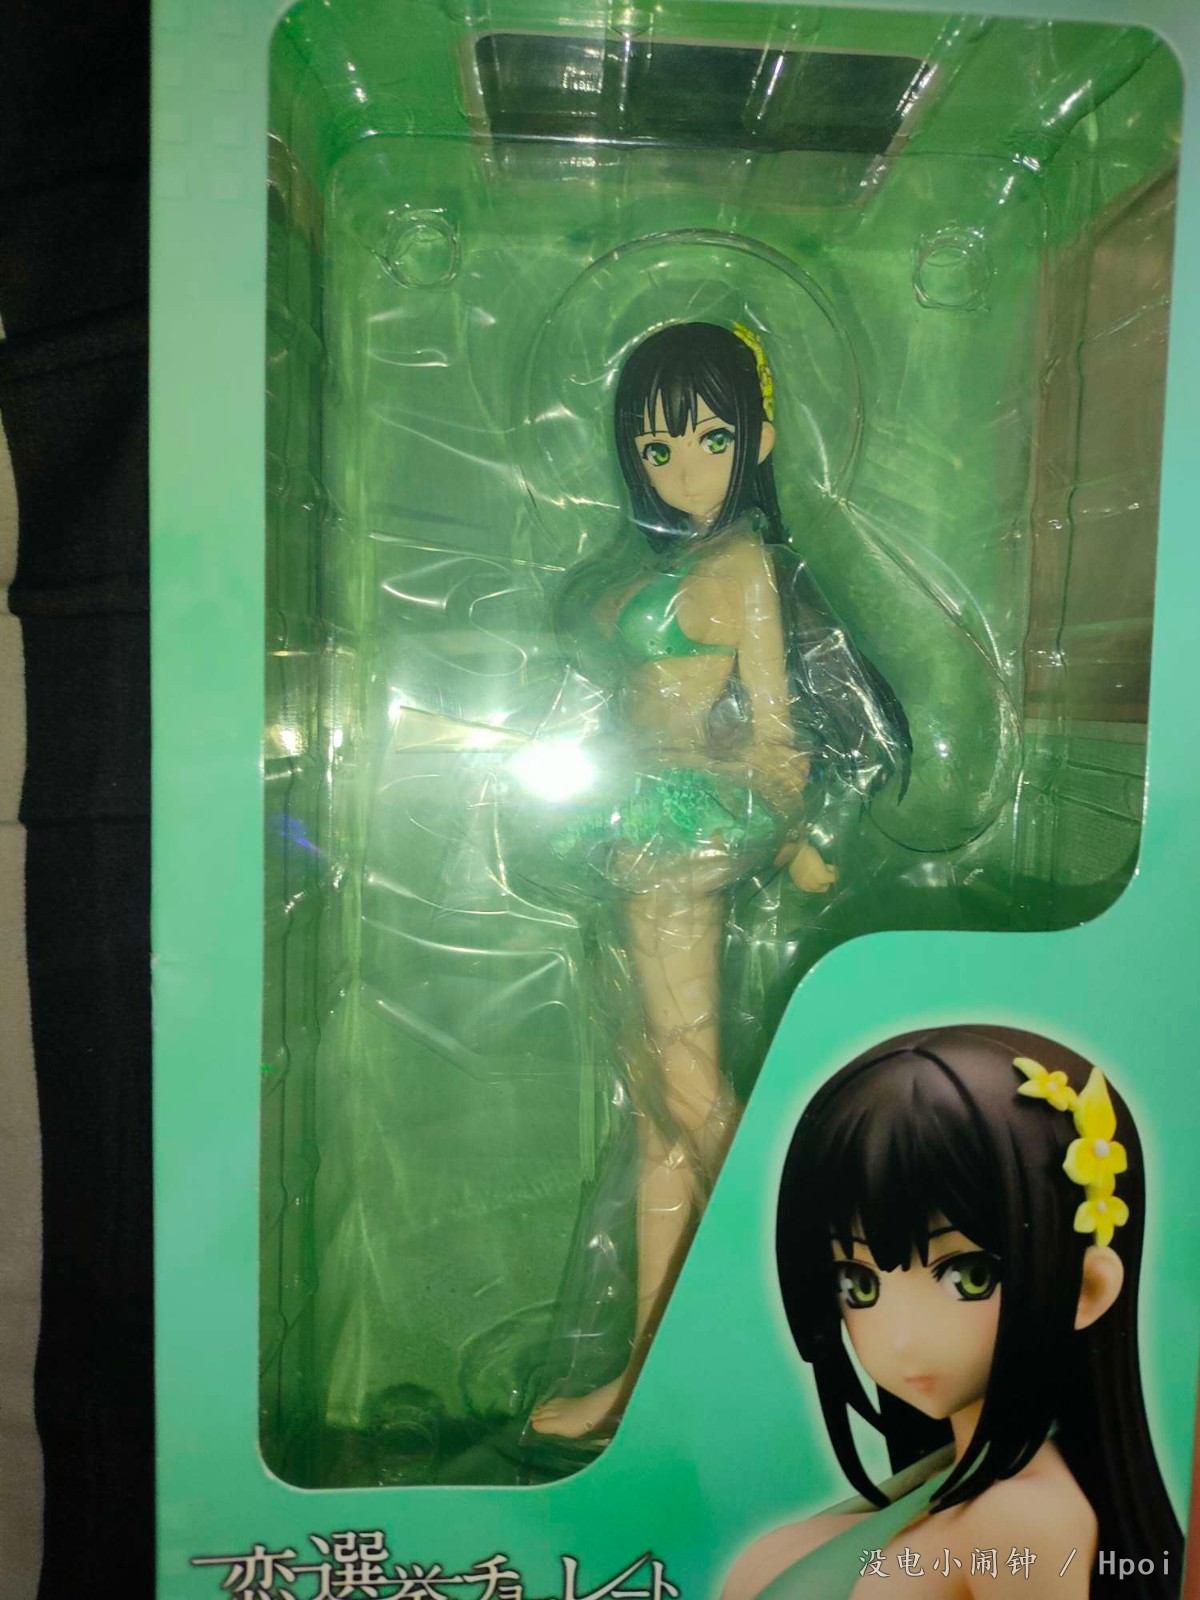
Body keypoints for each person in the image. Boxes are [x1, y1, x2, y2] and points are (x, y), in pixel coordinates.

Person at [529, 322, 907, 1439]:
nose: (685, 469)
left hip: (677, 832)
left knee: (690, 1093)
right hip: (642, 816)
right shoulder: (674, 562)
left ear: (759, 440)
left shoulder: (741, 565)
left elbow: (778, 732)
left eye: (710, 439)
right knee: (660, 1111)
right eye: (658, 449)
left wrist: (783, 830)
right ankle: (649, 1371)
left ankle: (827, 1285)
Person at [724, 1026, 1182, 1599]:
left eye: (969, 1276)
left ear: (1086, 1289)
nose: (901, 1338)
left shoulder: (1021, 1519)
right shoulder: (944, 1484)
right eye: (859, 1283)